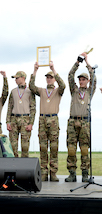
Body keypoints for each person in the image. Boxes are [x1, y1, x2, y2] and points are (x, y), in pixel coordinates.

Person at [29, 61, 65, 182]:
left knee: (54, 147)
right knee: (43, 147)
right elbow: (31, 86)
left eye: (51, 78)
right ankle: (44, 172)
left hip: (53, 119)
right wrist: (35, 70)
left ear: (54, 79)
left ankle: (53, 172)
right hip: (42, 119)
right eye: (47, 78)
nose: (49, 79)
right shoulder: (42, 91)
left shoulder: (58, 90)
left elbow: (63, 85)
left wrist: (53, 69)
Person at [65, 53, 96, 183]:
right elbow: (70, 76)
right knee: (71, 148)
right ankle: (72, 173)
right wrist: (77, 62)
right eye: (80, 79)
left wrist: (87, 62)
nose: (81, 81)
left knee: (84, 148)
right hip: (73, 121)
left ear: (87, 81)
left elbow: (94, 76)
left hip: (85, 122)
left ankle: (85, 173)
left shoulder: (90, 91)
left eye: (84, 79)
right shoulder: (74, 90)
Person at [6, 71, 36, 157]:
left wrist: (31, 123)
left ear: (23, 78)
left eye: (17, 78)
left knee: (25, 146)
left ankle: (24, 166)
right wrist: (8, 121)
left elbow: (33, 108)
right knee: (13, 145)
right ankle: (13, 165)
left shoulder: (30, 91)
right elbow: (9, 107)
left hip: (25, 119)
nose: (15, 80)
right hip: (14, 119)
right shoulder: (13, 91)